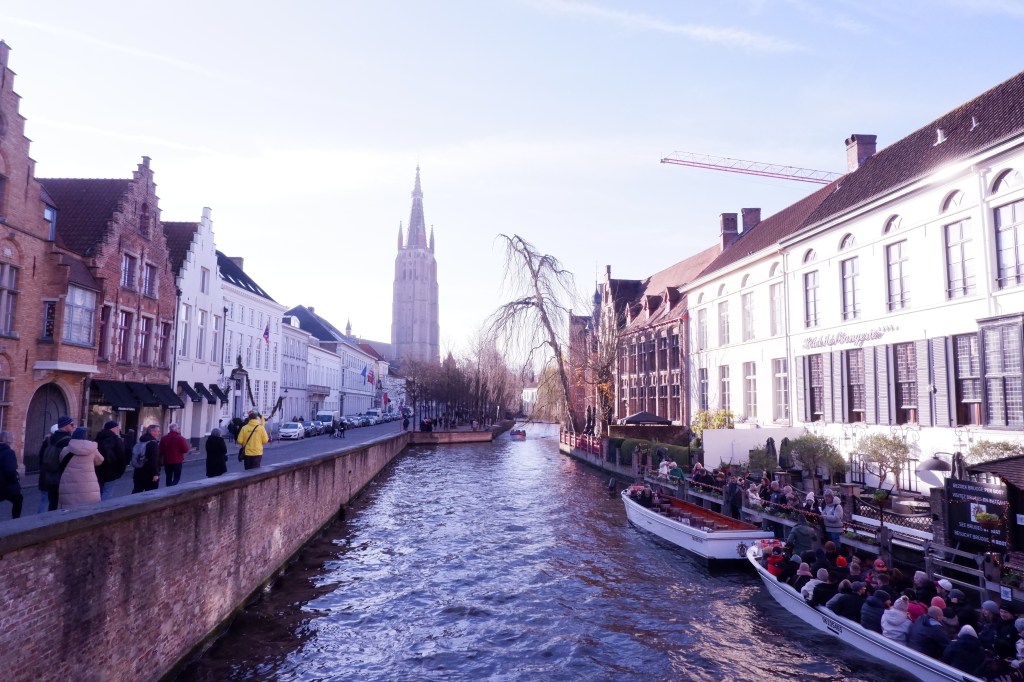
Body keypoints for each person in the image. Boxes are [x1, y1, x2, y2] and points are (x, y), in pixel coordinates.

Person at [58, 426, 103, 509]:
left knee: (68, 510)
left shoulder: (66, 449)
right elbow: (100, 461)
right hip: (89, 485)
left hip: (69, 483)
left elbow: (61, 460)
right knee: (89, 510)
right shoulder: (93, 450)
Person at [42, 416, 75, 510]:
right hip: (61, 477)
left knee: (52, 503)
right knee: (62, 504)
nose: (73, 426)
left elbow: (42, 457)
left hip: (49, 475)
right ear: (65, 425)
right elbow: (68, 461)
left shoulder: (49, 439)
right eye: (71, 424)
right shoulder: (67, 441)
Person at [94, 420, 128, 500]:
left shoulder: (97, 438)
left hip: (98, 469)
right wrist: (121, 469)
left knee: (99, 490)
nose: (119, 429)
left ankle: (96, 505)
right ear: (112, 428)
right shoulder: (115, 439)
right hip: (112, 470)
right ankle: (103, 507)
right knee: (108, 491)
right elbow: (121, 455)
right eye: (117, 427)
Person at [132, 424, 162, 493]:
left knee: (137, 492)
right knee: (151, 494)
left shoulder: (141, 440)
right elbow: (154, 460)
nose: (159, 433)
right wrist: (155, 474)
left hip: (138, 471)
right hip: (149, 473)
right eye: (158, 431)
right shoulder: (153, 443)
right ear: (152, 432)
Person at [0, 430, 23, 518]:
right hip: (6, 484)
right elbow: (10, 470)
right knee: (18, 499)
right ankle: (15, 520)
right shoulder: (8, 452)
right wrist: (15, 478)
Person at [160, 422, 190, 486]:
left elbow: (161, 450)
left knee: (168, 477)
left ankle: (168, 489)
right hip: (177, 461)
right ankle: (172, 489)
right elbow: (186, 449)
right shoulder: (180, 438)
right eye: (178, 428)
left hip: (167, 461)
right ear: (176, 429)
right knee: (177, 478)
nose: (179, 429)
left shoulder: (164, 438)